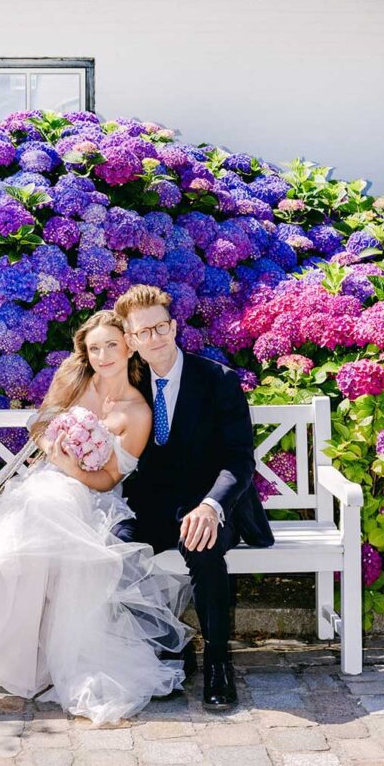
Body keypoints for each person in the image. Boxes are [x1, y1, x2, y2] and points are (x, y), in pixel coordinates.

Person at [0, 310, 193, 729]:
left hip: (89, 501)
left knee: (30, 542)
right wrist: (58, 442)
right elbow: (40, 427)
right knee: (31, 545)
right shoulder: (72, 380)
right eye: (94, 348)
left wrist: (70, 463)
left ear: (129, 345)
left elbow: (109, 477)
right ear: (86, 353)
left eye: (112, 344)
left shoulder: (139, 411)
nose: (103, 355)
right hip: (41, 488)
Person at [112, 284, 275, 710]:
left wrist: (211, 506)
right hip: (152, 507)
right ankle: (170, 641)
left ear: (174, 325)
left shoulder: (217, 379)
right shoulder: (128, 385)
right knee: (111, 549)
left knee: (202, 548)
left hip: (209, 504)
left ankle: (218, 661)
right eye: (143, 332)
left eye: (161, 327)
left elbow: (240, 460)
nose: (155, 338)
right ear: (130, 340)